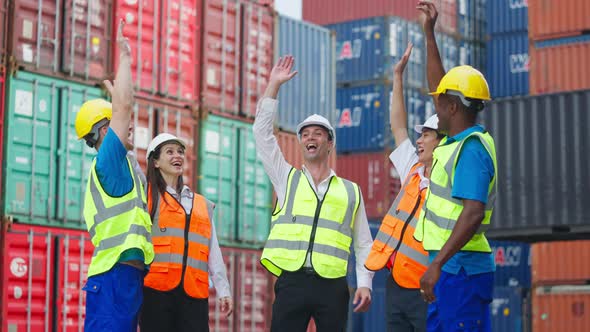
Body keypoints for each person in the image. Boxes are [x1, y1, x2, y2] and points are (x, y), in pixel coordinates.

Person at [253, 55, 374, 332]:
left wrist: (365, 284)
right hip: (291, 281)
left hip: (332, 286)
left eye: (317, 134)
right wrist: (274, 86)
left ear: (329, 142)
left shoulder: (350, 191)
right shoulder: (287, 179)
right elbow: (262, 135)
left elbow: (364, 243)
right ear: (300, 142)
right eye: (305, 134)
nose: (310, 138)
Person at [415, 2, 498, 331]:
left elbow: (473, 212)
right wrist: (429, 35)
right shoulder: (454, 139)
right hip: (452, 268)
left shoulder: (471, 149)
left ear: (451, 106)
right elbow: (440, 85)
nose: (435, 102)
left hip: (462, 269)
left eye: (440, 100)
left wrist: (436, 265)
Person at [75, 20, 154, 332]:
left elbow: (122, 109)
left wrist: (115, 96)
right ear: (106, 131)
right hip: (113, 278)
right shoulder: (108, 162)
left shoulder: (125, 166)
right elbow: (124, 109)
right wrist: (125, 58)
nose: (130, 125)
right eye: (121, 123)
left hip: (127, 278)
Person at [365, 42, 443, 332]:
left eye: (427, 136)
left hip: (427, 288)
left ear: (444, 142)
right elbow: (398, 127)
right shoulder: (412, 170)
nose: (419, 141)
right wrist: (397, 77)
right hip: (396, 284)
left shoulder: (450, 185)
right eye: (419, 136)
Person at [139, 133, 233, 332]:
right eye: (170, 152)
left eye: (181, 152)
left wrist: (223, 289)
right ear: (155, 162)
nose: (178, 156)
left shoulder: (201, 204)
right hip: (156, 294)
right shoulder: (145, 197)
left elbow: (213, 250)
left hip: (194, 296)